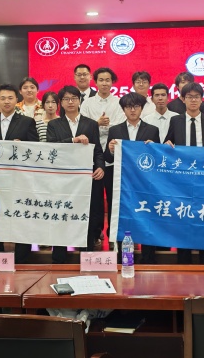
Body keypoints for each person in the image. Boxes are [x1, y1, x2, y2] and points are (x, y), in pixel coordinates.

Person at [165, 82, 204, 264]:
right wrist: (166, 144)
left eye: (196, 97)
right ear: (183, 99)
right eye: (189, 97)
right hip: (182, 179)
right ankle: (183, 261)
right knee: (183, 218)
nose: (193, 100)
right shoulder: (176, 120)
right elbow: (168, 142)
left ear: (201, 99)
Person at [47, 86, 105, 263]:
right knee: (61, 216)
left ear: (80, 101)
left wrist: (100, 166)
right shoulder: (54, 124)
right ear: (61, 103)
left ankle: (87, 256)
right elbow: (51, 148)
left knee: (87, 216)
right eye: (66, 99)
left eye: (74, 98)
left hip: (86, 179)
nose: (70, 102)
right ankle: (59, 259)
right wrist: (73, 140)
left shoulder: (90, 124)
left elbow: (97, 150)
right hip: (62, 180)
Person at [0, 83, 39, 264]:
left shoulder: (27, 122)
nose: (6, 101)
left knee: (21, 216)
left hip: (19, 179)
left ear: (16, 100)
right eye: (3, 98)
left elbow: (35, 150)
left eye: (10, 98)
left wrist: (23, 146)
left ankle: (22, 258)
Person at [104, 92, 160, 263]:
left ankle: (148, 260)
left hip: (145, 184)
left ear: (141, 108)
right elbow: (107, 158)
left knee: (147, 218)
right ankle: (124, 259)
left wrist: (155, 149)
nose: (133, 110)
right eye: (129, 107)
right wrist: (111, 150)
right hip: (123, 184)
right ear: (123, 109)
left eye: (136, 106)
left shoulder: (152, 130)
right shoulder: (115, 130)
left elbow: (159, 161)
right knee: (123, 220)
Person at [80, 67, 126, 243]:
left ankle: (113, 235)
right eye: (101, 80)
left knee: (114, 199)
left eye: (108, 80)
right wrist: (96, 124)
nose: (104, 83)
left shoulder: (119, 102)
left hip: (114, 157)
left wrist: (106, 126)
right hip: (93, 157)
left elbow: (121, 126)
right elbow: (83, 127)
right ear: (95, 81)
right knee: (95, 200)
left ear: (112, 82)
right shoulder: (87, 103)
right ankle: (95, 234)